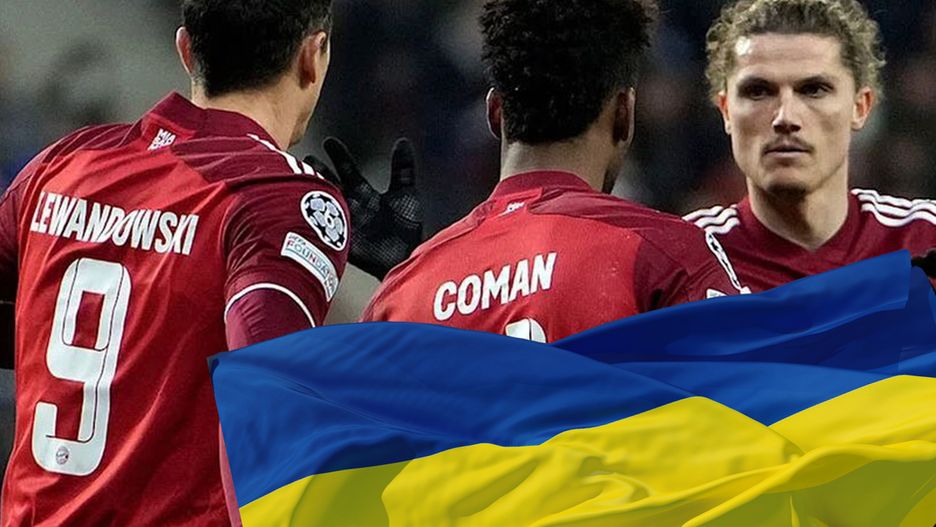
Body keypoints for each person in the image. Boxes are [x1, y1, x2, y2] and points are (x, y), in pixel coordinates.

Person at [0, 0, 353, 524]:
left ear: (186, 50)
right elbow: (271, 403)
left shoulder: (63, 165)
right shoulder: (276, 196)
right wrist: (401, 283)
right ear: (313, 54)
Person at [362, 0, 747, 343]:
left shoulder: (400, 295)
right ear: (624, 113)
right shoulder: (668, 258)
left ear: (495, 112)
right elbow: (741, 394)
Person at [685, 0, 936, 291]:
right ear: (726, 110)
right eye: (758, 91)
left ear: (860, 107)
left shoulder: (927, 239)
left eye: (813, 90)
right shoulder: (679, 261)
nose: (785, 117)